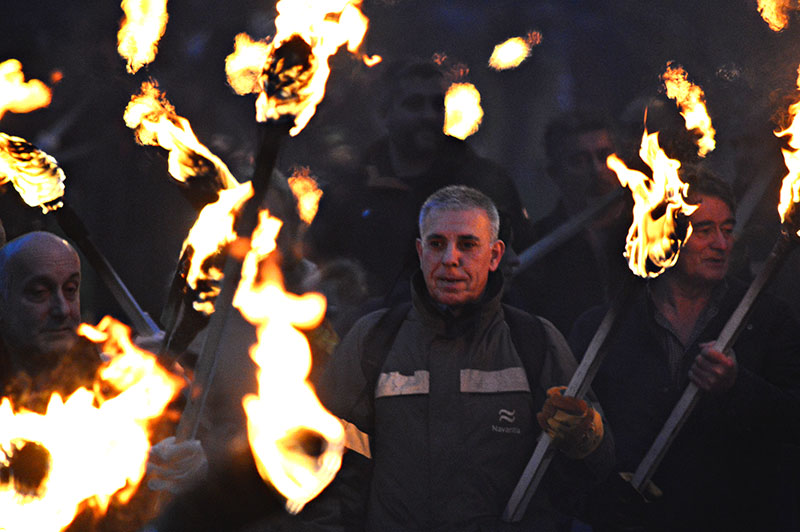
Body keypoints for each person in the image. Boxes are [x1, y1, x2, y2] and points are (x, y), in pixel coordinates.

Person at [307, 185, 613, 531]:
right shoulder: (374, 340)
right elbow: (327, 466)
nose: (450, 258)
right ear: (421, 252)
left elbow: (595, 471)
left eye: (468, 244)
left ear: (495, 256)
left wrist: (586, 434)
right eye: (437, 244)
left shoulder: (535, 341)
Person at [568, 167, 800, 532]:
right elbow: (576, 445)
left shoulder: (765, 319)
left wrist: (738, 387)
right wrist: (599, 498)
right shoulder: (605, 326)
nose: (722, 244)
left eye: (727, 229)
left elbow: (792, 423)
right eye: (704, 230)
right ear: (665, 232)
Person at [305, 57, 534, 311]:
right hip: (366, 337)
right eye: (414, 105)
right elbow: (317, 268)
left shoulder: (484, 184)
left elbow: (520, 269)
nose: (428, 115)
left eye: (437, 105)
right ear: (385, 113)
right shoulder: (350, 190)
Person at [508, 109, 631, 335]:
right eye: (579, 161)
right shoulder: (538, 250)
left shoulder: (649, 233)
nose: (597, 170)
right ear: (555, 173)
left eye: (605, 156)